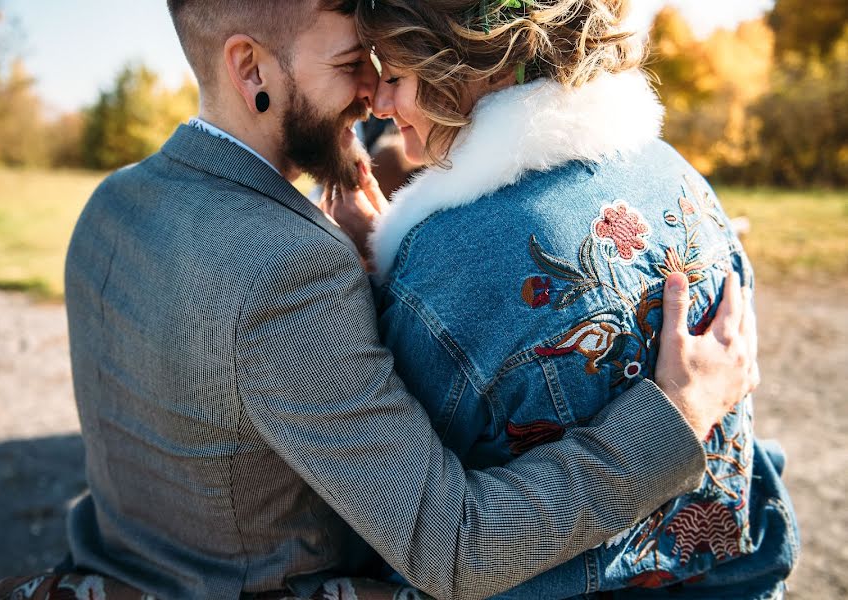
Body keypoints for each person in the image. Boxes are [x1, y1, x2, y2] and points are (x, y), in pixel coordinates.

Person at [0, 3, 755, 600]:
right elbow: (454, 547)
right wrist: (675, 422)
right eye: (349, 63)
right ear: (246, 63)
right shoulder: (288, 266)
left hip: (116, 560)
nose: (375, 93)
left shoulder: (112, 203)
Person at [323, 1, 799, 598]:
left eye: (394, 74)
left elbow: (419, 530)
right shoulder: (677, 175)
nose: (379, 104)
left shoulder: (447, 272)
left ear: (477, 63)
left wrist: (372, 292)